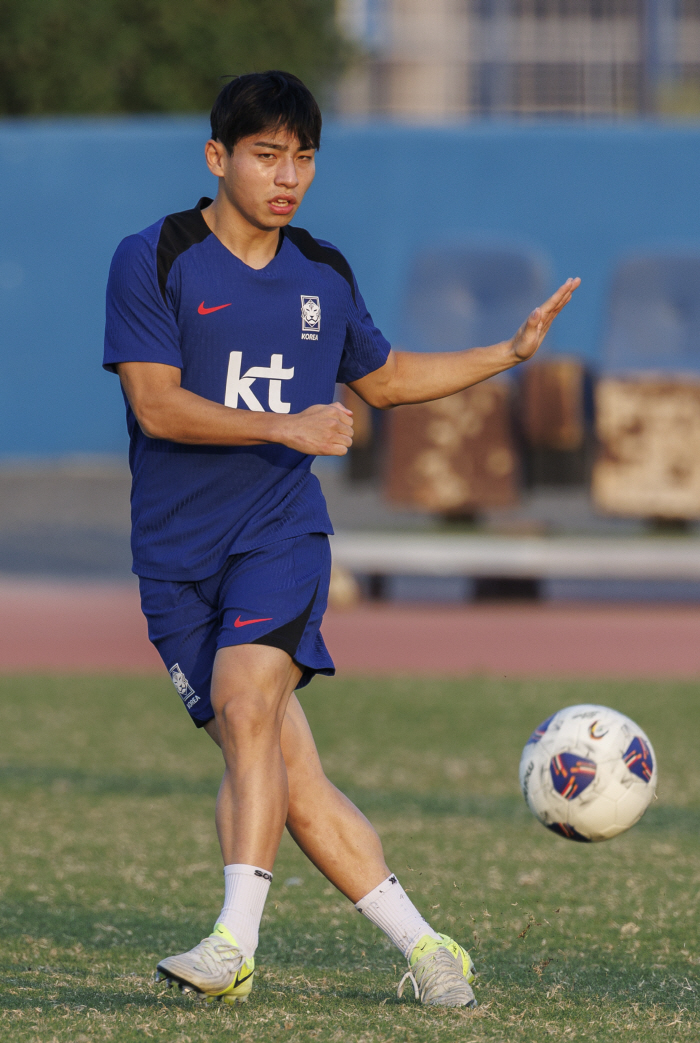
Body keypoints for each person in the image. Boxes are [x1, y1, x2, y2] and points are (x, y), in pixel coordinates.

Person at [103, 70, 579, 1009]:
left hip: (279, 533)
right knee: (290, 776)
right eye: (268, 155)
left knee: (246, 705)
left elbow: (388, 378)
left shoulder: (321, 269)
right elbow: (155, 405)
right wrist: (290, 425)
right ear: (218, 157)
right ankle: (430, 946)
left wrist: (507, 354)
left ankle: (232, 943)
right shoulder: (154, 255)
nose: (288, 176)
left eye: (304, 157)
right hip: (172, 558)